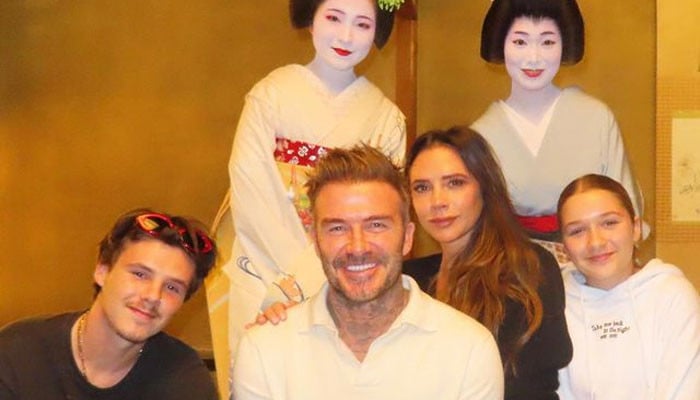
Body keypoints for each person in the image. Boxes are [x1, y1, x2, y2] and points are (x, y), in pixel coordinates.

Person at [233, 145, 504, 400]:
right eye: (337, 228)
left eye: (376, 225)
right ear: (316, 240)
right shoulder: (264, 350)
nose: (357, 247)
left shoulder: (468, 349)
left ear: (407, 237)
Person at [225, 0, 407, 359]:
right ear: (311, 18)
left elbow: (385, 211)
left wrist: (318, 277)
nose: (346, 36)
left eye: (362, 24)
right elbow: (250, 185)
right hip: (264, 265)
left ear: (377, 32)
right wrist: (294, 280)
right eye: (334, 18)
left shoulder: (386, 117)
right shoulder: (270, 94)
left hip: (347, 272)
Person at [403, 126, 572, 400]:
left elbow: (526, 386)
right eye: (422, 188)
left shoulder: (527, 268)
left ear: (485, 187)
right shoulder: (408, 279)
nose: (437, 201)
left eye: (454, 183)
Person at [471, 0, 642, 262]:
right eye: (520, 42)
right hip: (512, 266)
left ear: (565, 45)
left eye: (548, 42)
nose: (533, 57)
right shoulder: (481, 135)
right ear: (500, 44)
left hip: (593, 260)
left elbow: (624, 208)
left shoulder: (596, 117)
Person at [0, 209, 218, 399]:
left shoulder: (185, 380)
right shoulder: (17, 353)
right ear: (102, 271)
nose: (153, 295)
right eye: (140, 274)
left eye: (172, 287)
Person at [556, 174, 700, 399]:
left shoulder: (672, 296)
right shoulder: (554, 305)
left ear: (636, 228)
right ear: (563, 247)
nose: (596, 242)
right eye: (577, 231)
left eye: (609, 223)